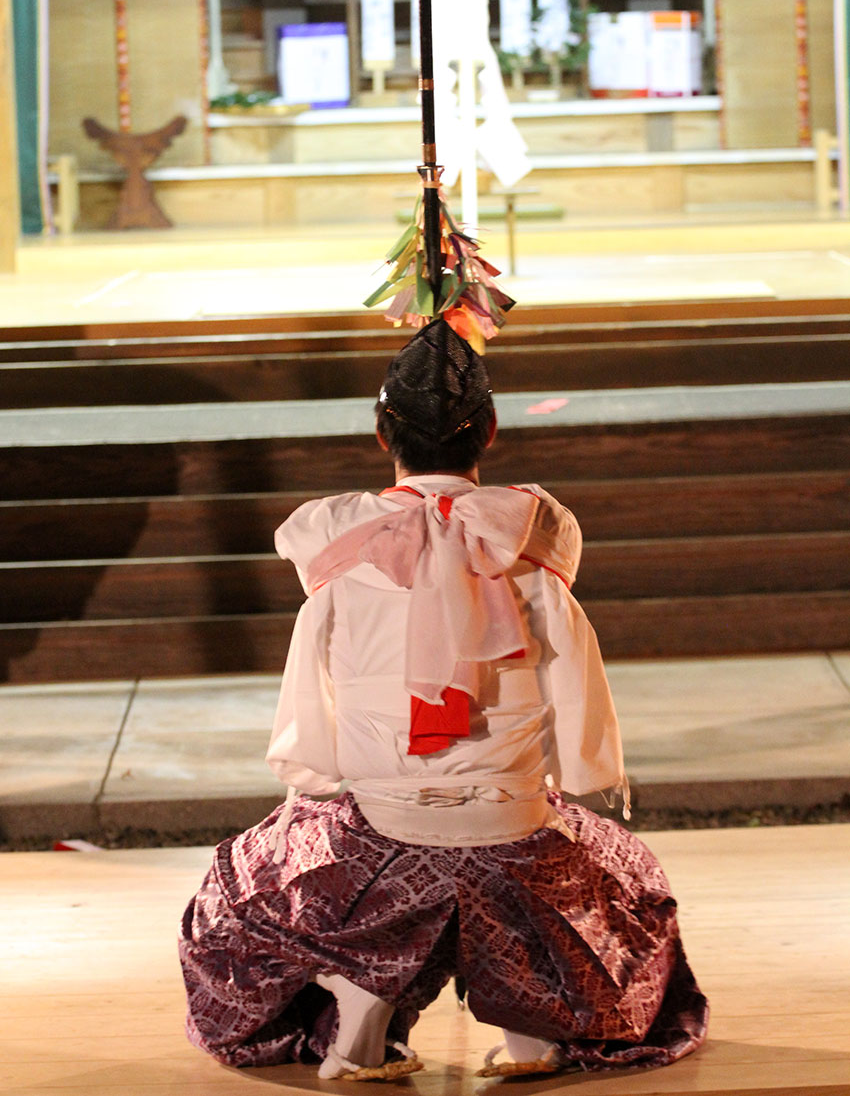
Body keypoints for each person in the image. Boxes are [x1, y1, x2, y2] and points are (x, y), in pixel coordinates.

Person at [178, 318, 708, 1079]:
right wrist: (573, 773)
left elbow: (314, 678)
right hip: (513, 821)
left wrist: (327, 775)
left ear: (379, 431)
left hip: (381, 820)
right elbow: (570, 672)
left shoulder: (337, 538)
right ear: (489, 432)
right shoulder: (530, 531)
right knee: (618, 874)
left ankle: (362, 997)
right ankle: (534, 1019)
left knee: (259, 872)